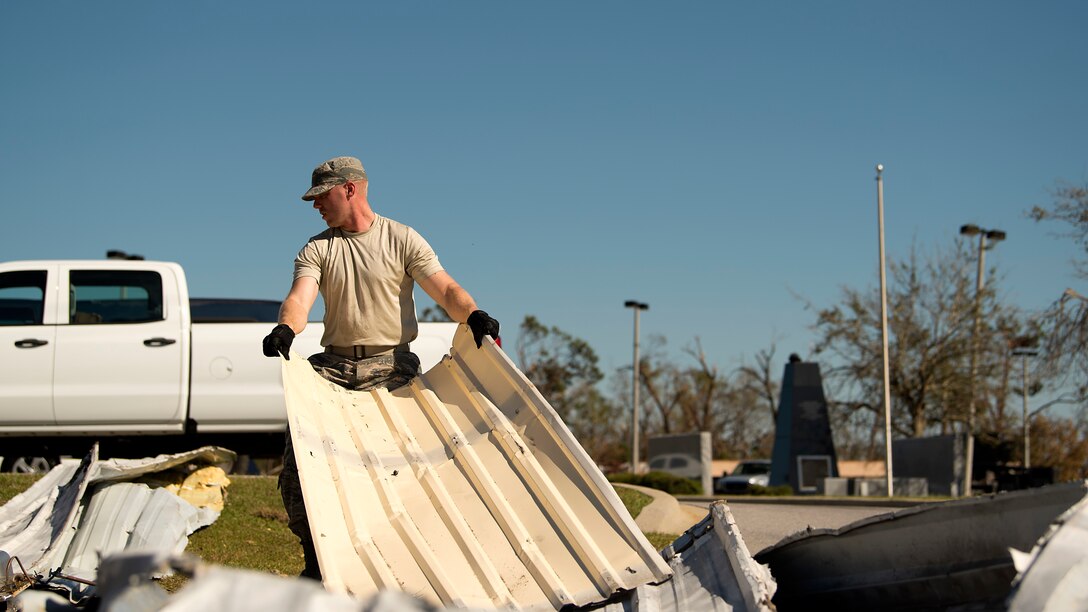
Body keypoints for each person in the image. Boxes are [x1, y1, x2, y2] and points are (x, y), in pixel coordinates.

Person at [261, 155, 500, 580]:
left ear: (349, 189)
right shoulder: (317, 248)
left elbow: (445, 289)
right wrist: (285, 329)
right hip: (333, 365)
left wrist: (473, 314)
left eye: (322, 196)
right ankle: (316, 563)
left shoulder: (403, 239)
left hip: (393, 364)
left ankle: (408, 561)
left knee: (408, 463)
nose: (316, 205)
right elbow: (300, 298)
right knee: (300, 458)